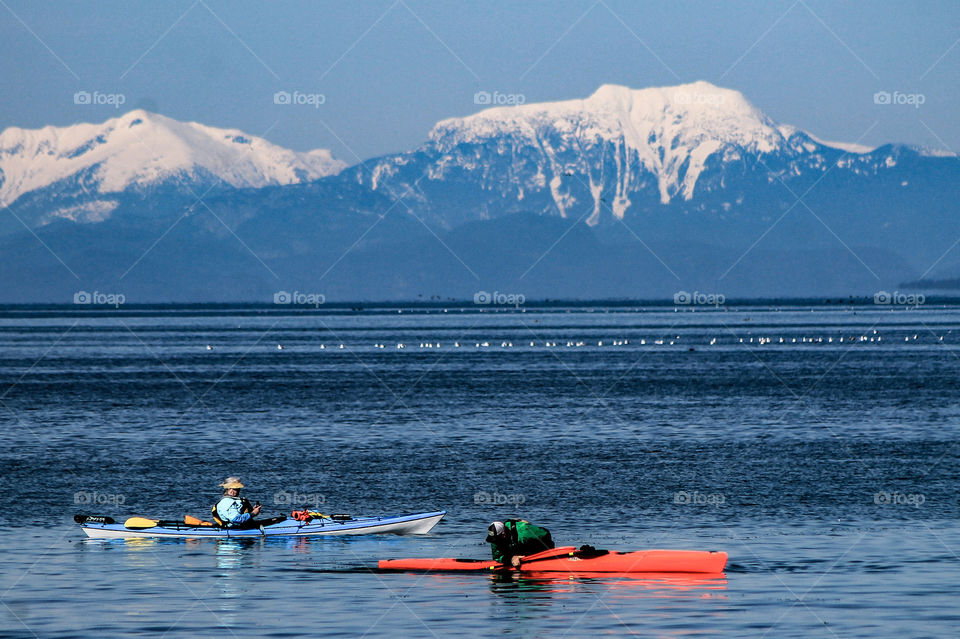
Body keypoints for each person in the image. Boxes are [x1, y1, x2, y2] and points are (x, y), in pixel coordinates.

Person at [486, 519, 555, 567]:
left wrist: (548, 553)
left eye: (497, 539)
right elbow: (497, 557)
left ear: (503, 534)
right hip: (517, 551)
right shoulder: (494, 540)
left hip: (537, 547)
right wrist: (511, 559)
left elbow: (545, 534)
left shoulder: (524, 531)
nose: (495, 543)